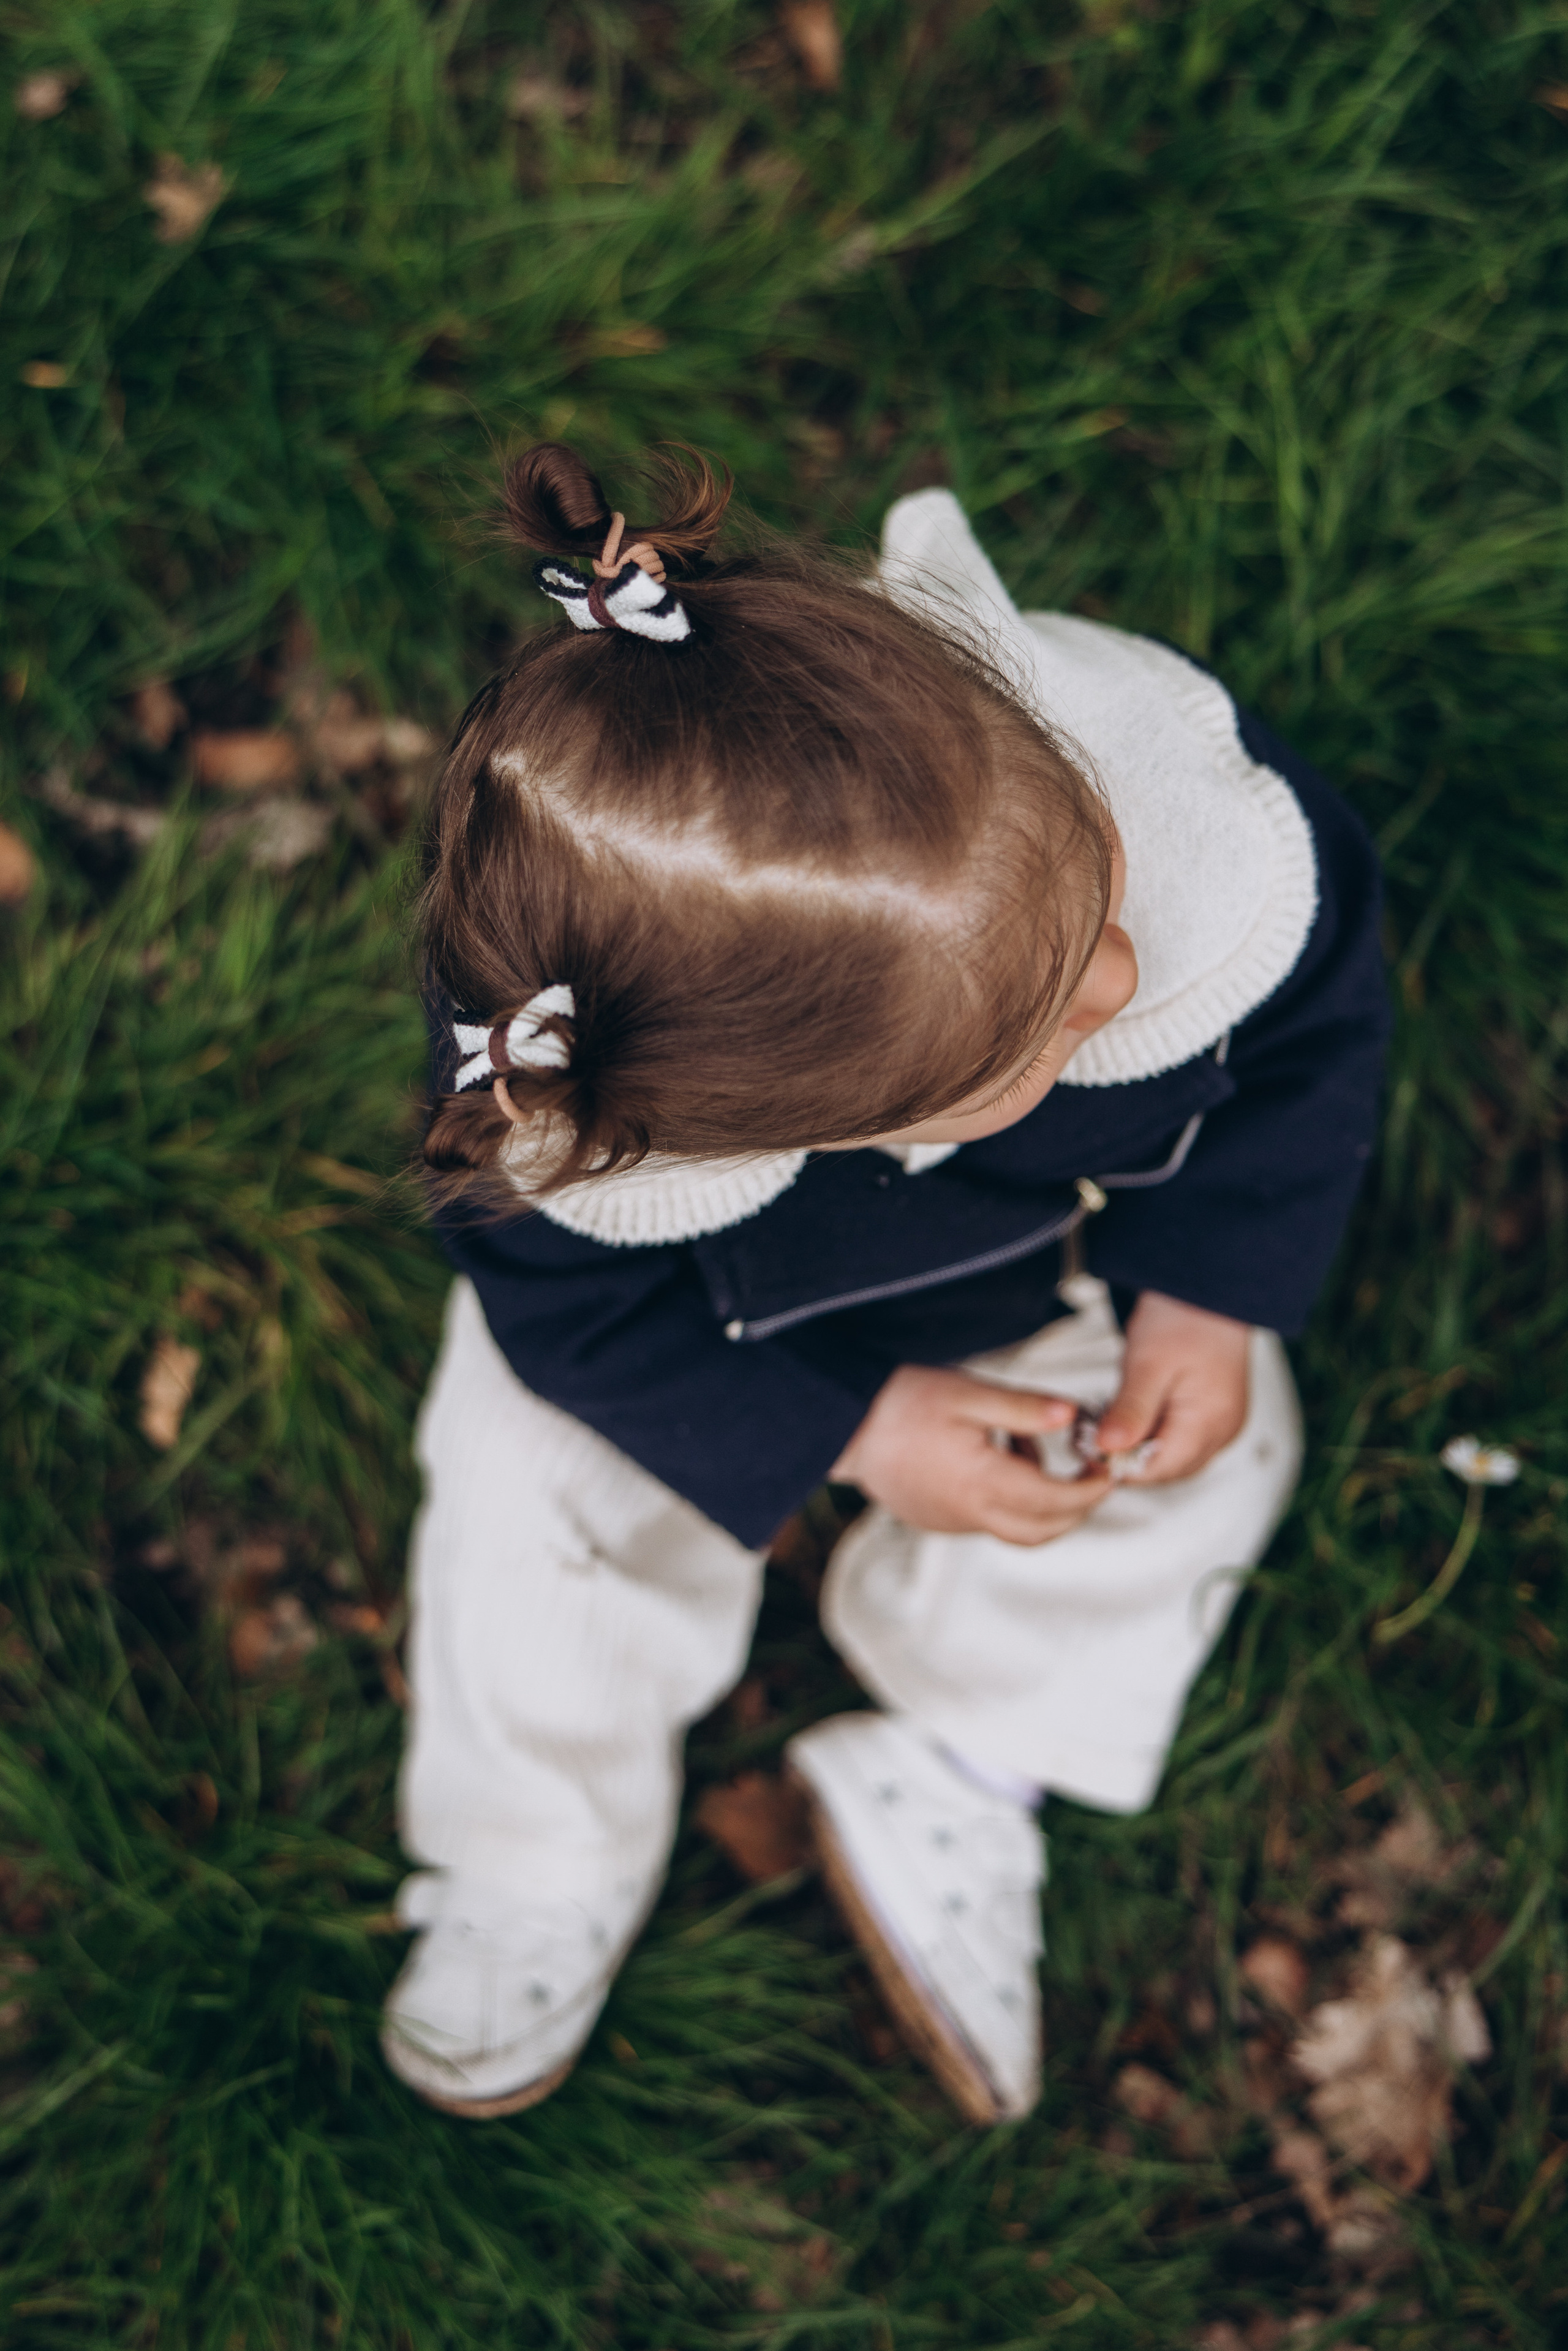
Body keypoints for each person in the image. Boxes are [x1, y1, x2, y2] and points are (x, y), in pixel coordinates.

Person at [380, 443, 1388, 2124]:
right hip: (703, 1326)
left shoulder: (1175, 820)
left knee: (1219, 1445)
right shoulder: (583, 1136)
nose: (1124, 979)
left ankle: (962, 1749)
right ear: (813, 1131)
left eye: (1090, 891)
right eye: (1049, 1019)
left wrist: (1207, 1294)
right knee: (516, 1494)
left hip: (1028, 1276)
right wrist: (847, 1428)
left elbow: (1302, 1026)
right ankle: (532, 1853)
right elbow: (581, 1319)